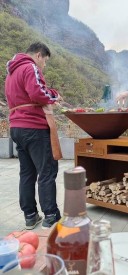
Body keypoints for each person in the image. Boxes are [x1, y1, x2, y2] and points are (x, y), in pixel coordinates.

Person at [5, 42, 62, 230]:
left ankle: (30, 216)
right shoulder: (30, 67)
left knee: (27, 173)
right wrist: (55, 96)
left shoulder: (11, 73)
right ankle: (51, 215)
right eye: (44, 61)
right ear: (38, 55)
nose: (43, 65)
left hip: (17, 128)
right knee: (46, 172)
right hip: (34, 128)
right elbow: (37, 93)